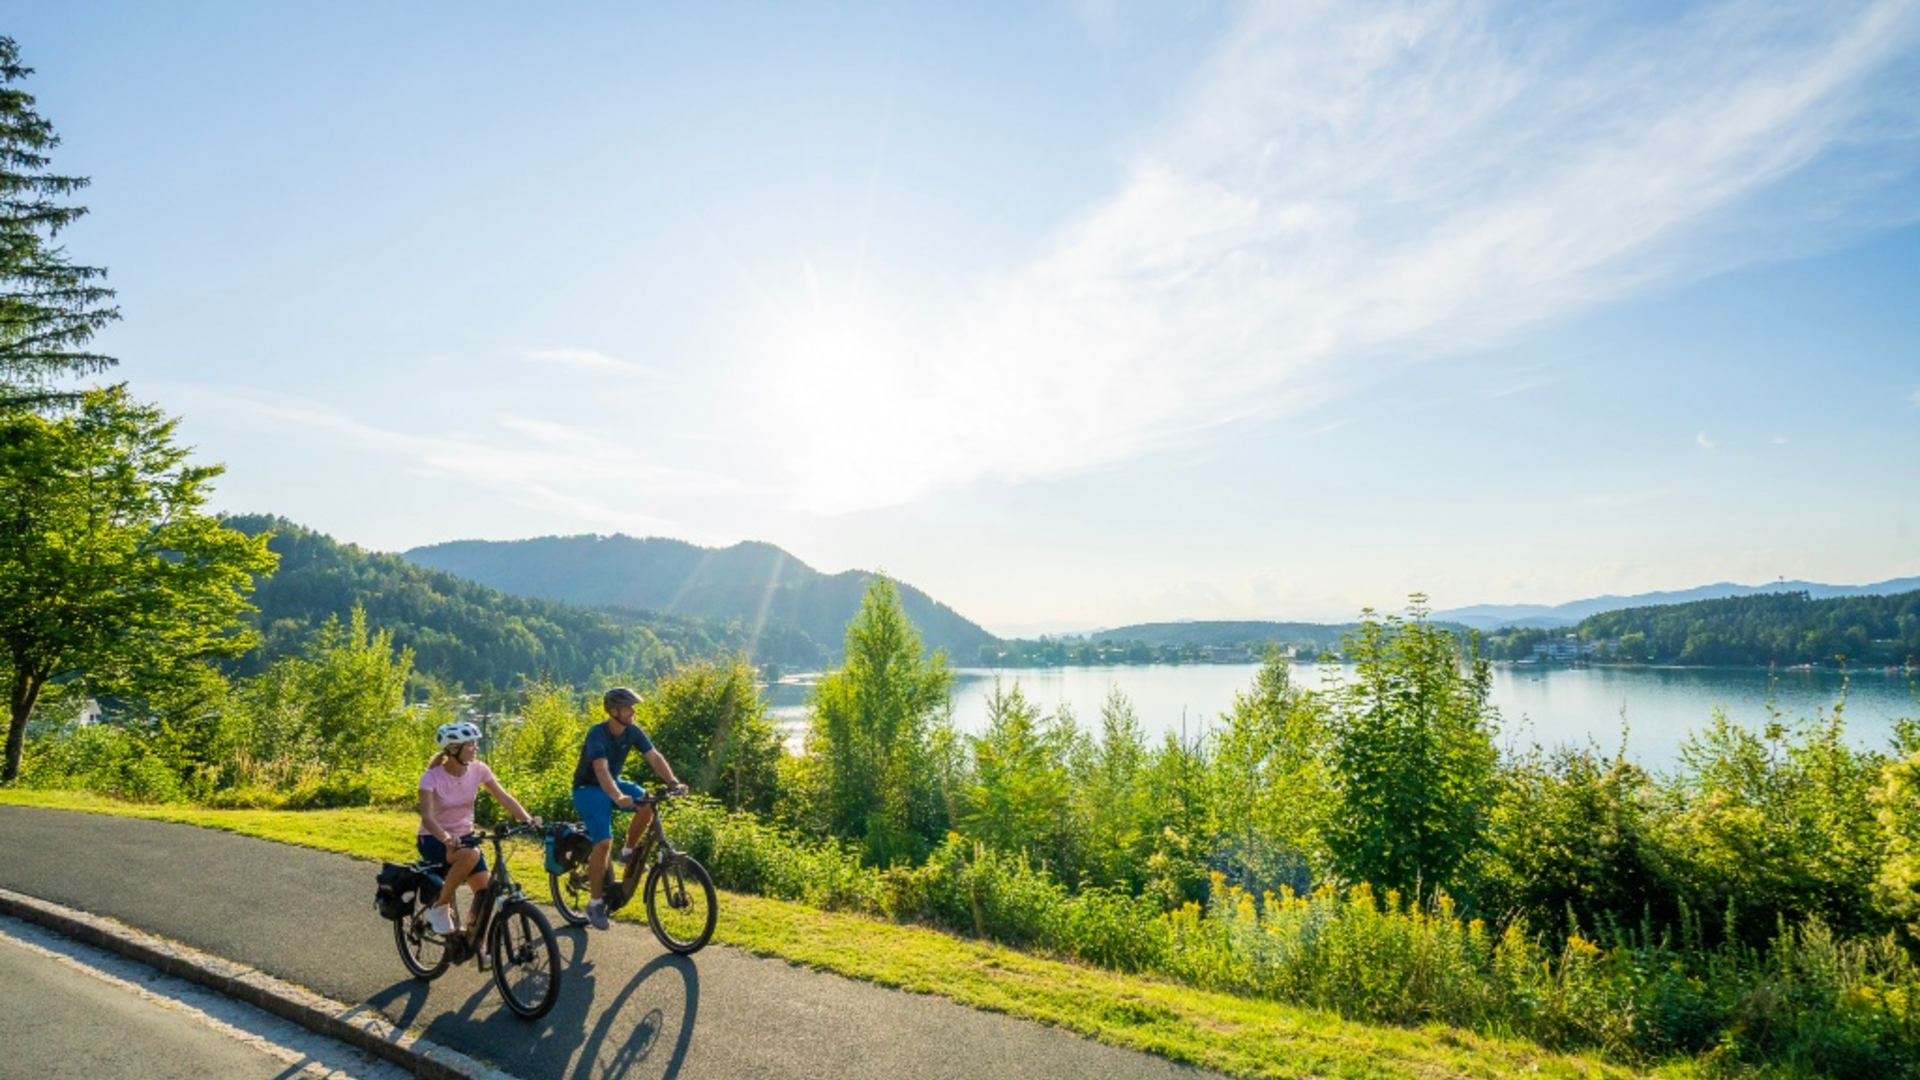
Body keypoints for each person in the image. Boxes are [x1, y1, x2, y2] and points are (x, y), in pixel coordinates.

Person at [417, 719, 541, 955]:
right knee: (470, 855)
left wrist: (527, 819)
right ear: (454, 749)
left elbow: (504, 798)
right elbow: (427, 817)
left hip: (465, 838)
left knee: (484, 894)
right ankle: (440, 907)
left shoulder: (478, 769)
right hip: (433, 839)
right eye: (470, 744)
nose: (475, 748)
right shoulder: (431, 778)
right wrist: (445, 837)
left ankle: (475, 942)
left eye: (475, 744)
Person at [571, 686, 686, 930]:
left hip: (613, 784)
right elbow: (601, 771)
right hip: (588, 789)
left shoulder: (632, 731)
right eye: (628, 708)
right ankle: (594, 903)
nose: (633, 711)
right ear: (614, 711)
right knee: (602, 843)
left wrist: (673, 782)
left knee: (648, 803)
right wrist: (619, 796)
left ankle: (628, 852)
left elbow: (654, 756)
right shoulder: (597, 734)